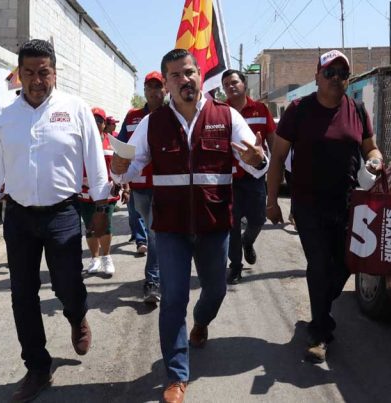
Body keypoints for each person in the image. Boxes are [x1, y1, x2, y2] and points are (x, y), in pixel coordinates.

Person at [111, 49, 267, 403]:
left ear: (200, 75)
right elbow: (128, 170)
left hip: (214, 226)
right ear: (166, 84)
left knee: (215, 291)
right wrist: (119, 168)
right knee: (173, 299)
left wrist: (258, 158)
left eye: (190, 72)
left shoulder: (225, 116)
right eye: (177, 75)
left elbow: (258, 163)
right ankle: (177, 375)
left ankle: (201, 322)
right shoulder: (153, 123)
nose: (186, 80)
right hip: (170, 228)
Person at [0, 39, 110, 402]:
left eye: (44, 72)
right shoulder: (5, 115)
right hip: (18, 216)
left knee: (68, 284)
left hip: (62, 214)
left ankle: (76, 314)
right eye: (30, 73)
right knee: (22, 294)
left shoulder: (75, 109)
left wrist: (101, 207)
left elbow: (94, 159)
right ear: (19, 74)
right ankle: (37, 367)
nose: (37, 80)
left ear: (55, 72)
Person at [265, 49, 383, 364]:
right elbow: (277, 157)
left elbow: (371, 147)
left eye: (342, 74)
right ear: (317, 76)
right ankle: (319, 334)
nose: (336, 79)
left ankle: (321, 312)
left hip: (346, 203)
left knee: (346, 263)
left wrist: (375, 159)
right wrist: (272, 201)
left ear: (349, 79)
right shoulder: (298, 110)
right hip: (307, 204)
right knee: (318, 264)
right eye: (329, 73)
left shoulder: (357, 110)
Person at [221, 69, 277, 284]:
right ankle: (235, 266)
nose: (230, 86)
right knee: (232, 225)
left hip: (255, 177)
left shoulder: (261, 109)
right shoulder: (221, 111)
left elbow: (272, 141)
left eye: (234, 82)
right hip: (230, 179)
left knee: (258, 219)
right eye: (226, 84)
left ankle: (248, 241)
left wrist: (274, 169)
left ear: (244, 84)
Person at [117, 70, 167, 304]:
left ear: (165, 90)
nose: (154, 92)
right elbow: (122, 149)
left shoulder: (172, 115)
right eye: (150, 87)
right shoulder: (133, 116)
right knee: (153, 233)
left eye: (158, 87)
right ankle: (160, 274)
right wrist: (122, 181)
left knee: (156, 234)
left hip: (165, 187)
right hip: (139, 186)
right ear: (144, 91)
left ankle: (153, 280)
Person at [80, 107, 120, 277]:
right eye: (93, 119)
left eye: (99, 120)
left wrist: (123, 185)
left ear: (104, 124)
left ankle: (106, 257)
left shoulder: (112, 142)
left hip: (106, 192)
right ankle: (95, 259)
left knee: (105, 226)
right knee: (89, 227)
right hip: (85, 192)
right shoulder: (81, 141)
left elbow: (120, 166)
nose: (96, 123)